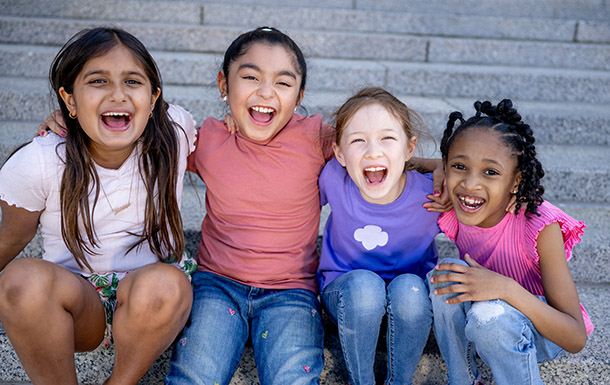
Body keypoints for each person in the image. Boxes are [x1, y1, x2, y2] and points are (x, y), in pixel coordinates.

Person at [165, 28, 448, 385]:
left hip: (291, 292)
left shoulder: (315, 137)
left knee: (293, 378)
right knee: (194, 374)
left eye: (282, 83)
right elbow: (153, 130)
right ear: (224, 84)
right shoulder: (209, 138)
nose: (265, 92)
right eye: (250, 77)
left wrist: (433, 165)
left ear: (299, 97)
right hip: (217, 284)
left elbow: (369, 147)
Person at [0, 27, 197, 385]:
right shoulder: (40, 162)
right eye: (98, 81)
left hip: (151, 304)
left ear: (153, 99)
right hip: (76, 306)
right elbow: (10, 239)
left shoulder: (175, 131)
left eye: (133, 82)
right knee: (19, 281)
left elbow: (237, 154)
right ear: (69, 100)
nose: (118, 95)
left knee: (167, 284)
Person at [427, 99, 594, 385]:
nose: (470, 184)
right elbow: (411, 165)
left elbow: (575, 337)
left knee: (488, 317)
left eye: (490, 172)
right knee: (444, 274)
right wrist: (437, 169)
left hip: (541, 328)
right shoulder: (460, 201)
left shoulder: (538, 224)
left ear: (516, 182)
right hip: (485, 318)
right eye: (459, 166)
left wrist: (506, 289)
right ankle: (463, 379)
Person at [317, 87, 442, 385]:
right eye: (358, 141)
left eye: (387, 138)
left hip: (410, 304)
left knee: (411, 288)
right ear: (339, 153)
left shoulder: (431, 195)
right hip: (347, 295)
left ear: (409, 149)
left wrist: (444, 167)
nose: (373, 151)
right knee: (364, 286)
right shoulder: (334, 177)